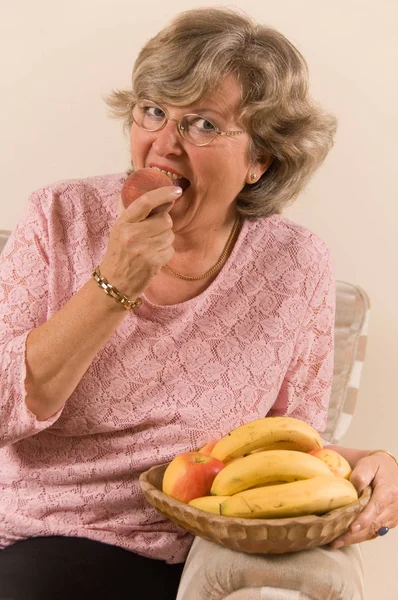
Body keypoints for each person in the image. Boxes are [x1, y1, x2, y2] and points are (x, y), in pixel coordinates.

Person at [0, 7, 396, 599]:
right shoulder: (58, 220)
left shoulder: (295, 264)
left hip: (201, 544)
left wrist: (375, 461)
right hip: (49, 536)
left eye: (204, 124)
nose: (163, 145)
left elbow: (287, 441)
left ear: (261, 159)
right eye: (153, 112)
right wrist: (114, 283)